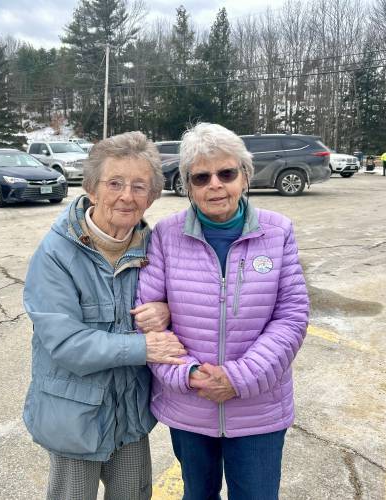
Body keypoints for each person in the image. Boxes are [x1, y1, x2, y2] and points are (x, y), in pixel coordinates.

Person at [137, 123, 310, 500]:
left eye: (226, 173)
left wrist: (238, 378)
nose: (215, 184)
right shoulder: (165, 236)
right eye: (201, 177)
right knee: (197, 495)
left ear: (244, 177)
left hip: (258, 408)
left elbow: (292, 317)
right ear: (188, 186)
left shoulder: (277, 232)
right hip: (189, 406)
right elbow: (147, 323)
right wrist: (189, 375)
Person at [23, 131, 186, 500]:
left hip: (130, 416)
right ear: (92, 189)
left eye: (139, 186)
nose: (126, 196)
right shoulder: (56, 254)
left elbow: (191, 302)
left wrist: (168, 308)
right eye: (115, 183)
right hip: (74, 416)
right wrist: (143, 347)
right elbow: (65, 344)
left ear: (151, 197)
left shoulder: (155, 248)